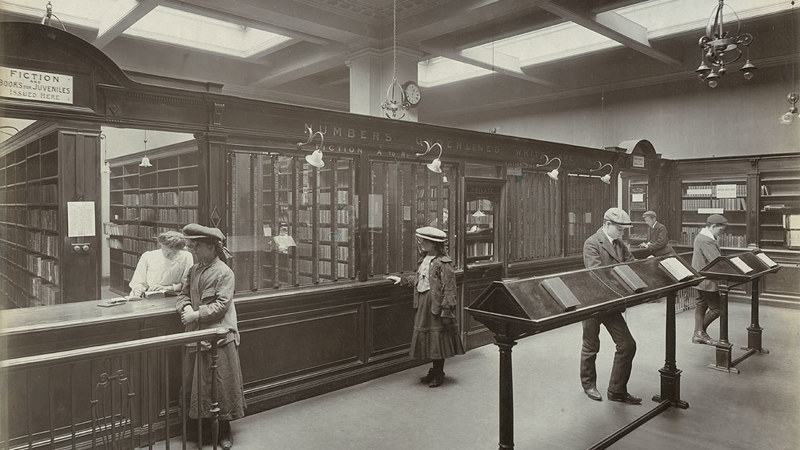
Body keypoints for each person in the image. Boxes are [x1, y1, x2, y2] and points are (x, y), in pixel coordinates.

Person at [177, 224, 244, 450]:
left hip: (219, 337)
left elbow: (223, 304)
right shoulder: (194, 270)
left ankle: (225, 430)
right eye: (192, 245)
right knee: (198, 385)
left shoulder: (224, 272)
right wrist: (185, 308)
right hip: (196, 335)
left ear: (211, 247)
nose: (193, 250)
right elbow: (183, 294)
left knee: (221, 386)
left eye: (197, 246)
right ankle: (205, 431)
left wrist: (197, 314)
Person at [386, 226, 464, 387]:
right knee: (429, 336)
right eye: (421, 240)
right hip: (423, 301)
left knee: (437, 338)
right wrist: (401, 280)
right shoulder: (424, 259)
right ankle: (435, 370)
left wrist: (447, 309)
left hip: (435, 303)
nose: (421, 243)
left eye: (425, 241)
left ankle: (438, 372)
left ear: (434, 244)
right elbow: (419, 279)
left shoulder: (444, 263)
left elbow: (449, 288)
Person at [580, 207, 641, 404]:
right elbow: (597, 273)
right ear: (607, 225)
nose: (623, 233)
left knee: (627, 345)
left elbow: (631, 264)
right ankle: (588, 385)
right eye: (620, 229)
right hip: (593, 302)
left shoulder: (619, 243)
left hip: (611, 302)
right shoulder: (592, 243)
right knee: (591, 346)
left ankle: (616, 390)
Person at [691, 214, 728, 346]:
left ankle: (699, 334)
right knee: (717, 309)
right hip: (707, 280)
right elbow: (715, 261)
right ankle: (699, 333)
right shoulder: (706, 240)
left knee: (701, 304)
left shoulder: (704, 237)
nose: (722, 233)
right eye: (720, 230)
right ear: (713, 226)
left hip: (700, 278)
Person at [129, 230, 193, 297]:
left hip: (171, 295)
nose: (167, 254)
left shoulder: (186, 257)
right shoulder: (148, 256)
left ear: (179, 250)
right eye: (165, 250)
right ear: (161, 244)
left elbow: (187, 284)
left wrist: (167, 288)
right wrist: (139, 289)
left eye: (173, 253)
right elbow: (137, 281)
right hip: (148, 294)